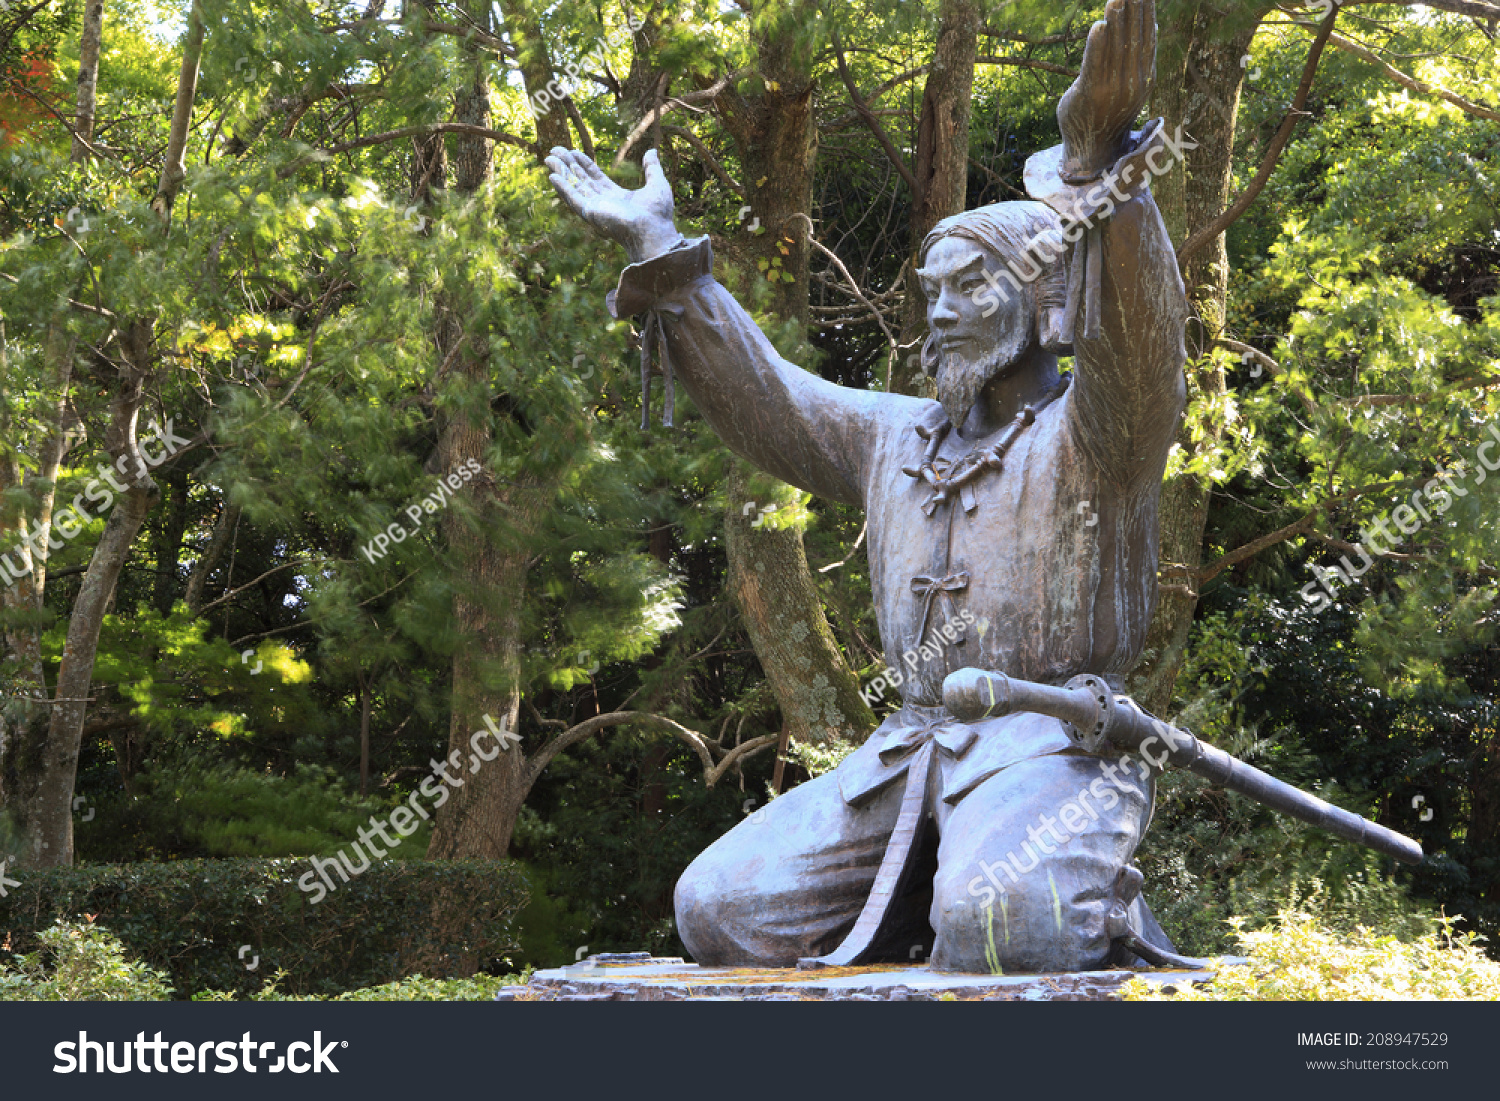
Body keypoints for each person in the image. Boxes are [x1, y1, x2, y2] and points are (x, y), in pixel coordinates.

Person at [547, 0, 1189, 972]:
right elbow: (772, 400)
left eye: (970, 289)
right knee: (716, 908)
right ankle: (931, 903)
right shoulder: (894, 437)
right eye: (929, 296)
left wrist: (1102, 179)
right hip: (905, 755)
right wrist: (666, 264)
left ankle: (1020, 895)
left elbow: (1140, 349)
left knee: (1006, 924)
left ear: (1051, 309)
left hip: (1052, 750)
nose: (938, 317)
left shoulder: (1094, 439)